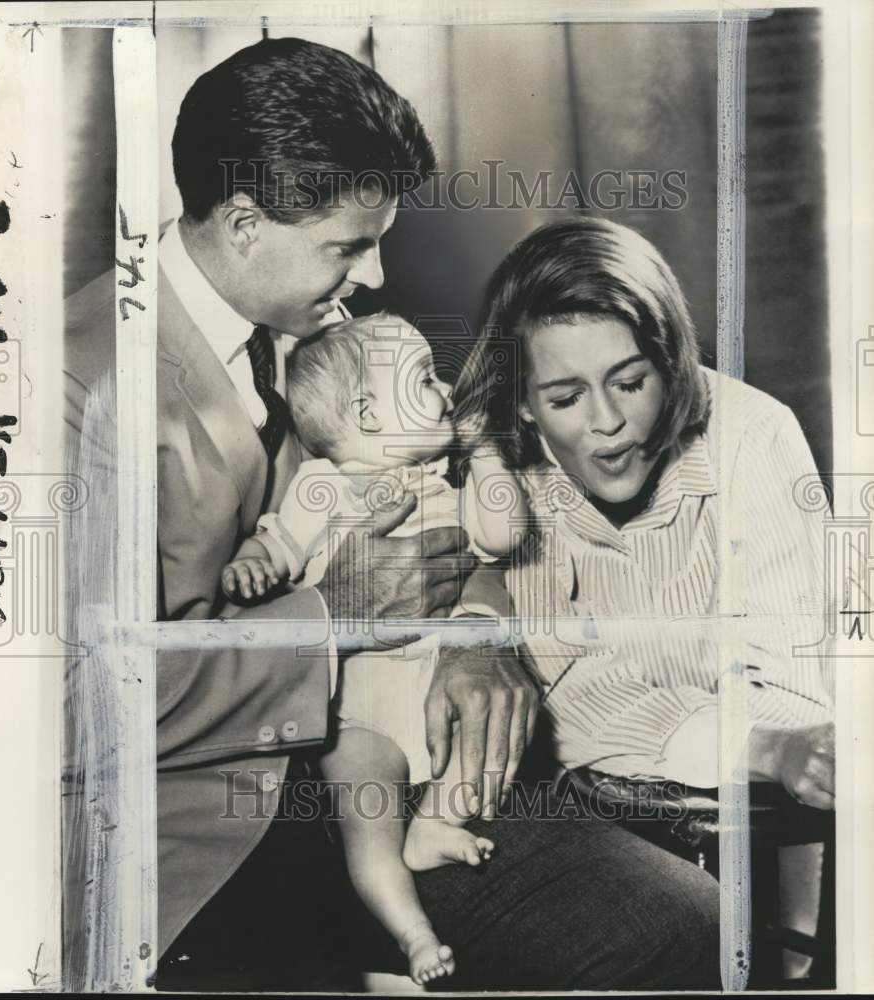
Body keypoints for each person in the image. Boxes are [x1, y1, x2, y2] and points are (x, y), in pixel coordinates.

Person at [64, 39, 720, 991]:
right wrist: (337, 616)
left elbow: (450, 502)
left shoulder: (337, 335)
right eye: (347, 246)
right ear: (245, 221)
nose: (372, 277)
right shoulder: (72, 381)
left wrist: (476, 639)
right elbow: (74, 708)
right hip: (183, 834)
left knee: (679, 924)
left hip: (386, 760)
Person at [455, 216, 834, 976]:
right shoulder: (506, 476)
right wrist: (759, 744)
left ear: (671, 360)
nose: (607, 422)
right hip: (594, 823)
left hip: (762, 841)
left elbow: (795, 685)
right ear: (523, 404)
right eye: (564, 396)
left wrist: (779, 739)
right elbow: (572, 701)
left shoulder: (753, 436)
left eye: (630, 381)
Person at [222, 313, 527, 984]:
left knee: (478, 746)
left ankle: (438, 823)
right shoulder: (324, 484)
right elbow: (277, 544)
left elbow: (502, 537)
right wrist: (255, 562)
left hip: (433, 685)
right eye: (422, 377)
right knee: (367, 817)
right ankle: (410, 933)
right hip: (353, 709)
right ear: (365, 411)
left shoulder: (445, 484)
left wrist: (483, 454)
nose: (444, 388)